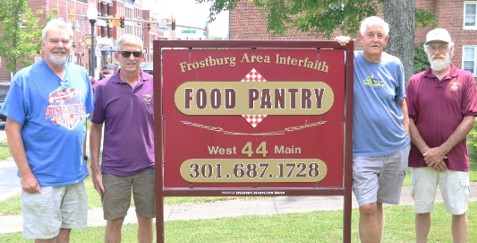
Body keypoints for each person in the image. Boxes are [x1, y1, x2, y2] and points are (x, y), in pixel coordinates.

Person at [0, 18, 94, 242]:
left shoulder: (80, 75)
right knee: (45, 238)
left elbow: (83, 120)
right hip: (41, 178)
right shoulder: (25, 79)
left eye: (65, 41)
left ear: (72, 45)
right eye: (53, 40)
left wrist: (83, 157)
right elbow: (12, 129)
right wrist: (26, 174)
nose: (59, 45)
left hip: (73, 176)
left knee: (65, 234)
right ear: (43, 45)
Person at [337, 16, 410, 242]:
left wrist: (405, 133)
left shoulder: (394, 64)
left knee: (377, 203)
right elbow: (328, 62)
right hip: (362, 152)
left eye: (380, 35)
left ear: (386, 39)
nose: (375, 39)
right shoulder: (351, 61)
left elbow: (401, 102)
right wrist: (339, 44)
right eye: (370, 35)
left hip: (394, 148)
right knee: (367, 207)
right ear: (361, 38)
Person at [406, 28, 477, 243]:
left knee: (458, 210)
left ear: (451, 49)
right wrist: (428, 153)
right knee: (421, 209)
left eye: (442, 46)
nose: (437, 51)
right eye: (433, 46)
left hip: (454, 159)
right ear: (427, 50)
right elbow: (408, 120)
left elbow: (469, 119)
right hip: (422, 159)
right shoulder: (415, 81)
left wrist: (441, 151)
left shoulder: (466, 79)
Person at [89, 34, 155, 243]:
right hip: (114, 169)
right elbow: (96, 126)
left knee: (146, 218)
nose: (131, 58)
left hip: (149, 166)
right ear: (118, 56)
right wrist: (95, 167)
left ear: (143, 56)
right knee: (114, 220)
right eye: (126, 53)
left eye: (136, 53)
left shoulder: (155, 84)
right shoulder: (103, 87)